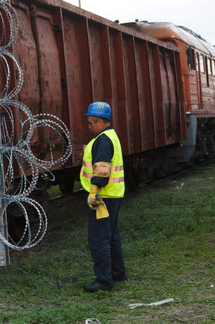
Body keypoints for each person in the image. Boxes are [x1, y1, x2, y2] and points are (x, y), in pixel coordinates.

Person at [80, 101, 127, 292]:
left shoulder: (103, 140)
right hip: (113, 196)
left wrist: (93, 193)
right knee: (112, 236)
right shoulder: (110, 136)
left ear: (99, 121)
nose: (88, 126)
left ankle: (104, 281)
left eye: (90, 123)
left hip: (103, 197)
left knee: (98, 239)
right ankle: (118, 274)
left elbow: (102, 171)